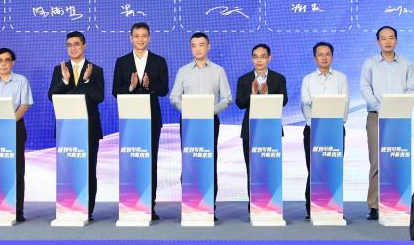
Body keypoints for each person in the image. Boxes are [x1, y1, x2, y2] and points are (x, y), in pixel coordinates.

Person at [111, 22, 169, 219]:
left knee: (149, 161)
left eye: (144, 35)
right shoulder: (122, 61)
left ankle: (149, 205)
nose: (140, 39)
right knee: (131, 161)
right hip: (130, 119)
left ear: (149, 38)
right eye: (136, 36)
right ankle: (130, 203)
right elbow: (115, 90)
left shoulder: (159, 61)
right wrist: (130, 87)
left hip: (151, 119)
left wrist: (148, 86)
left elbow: (164, 89)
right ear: (131, 38)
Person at [170, 32, 232, 215]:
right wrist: (188, 110)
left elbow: (227, 98)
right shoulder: (183, 71)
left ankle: (209, 205)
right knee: (189, 162)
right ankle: (190, 204)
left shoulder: (218, 70)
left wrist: (210, 111)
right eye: (194, 45)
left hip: (210, 121)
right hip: (189, 122)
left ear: (208, 47)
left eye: (201, 45)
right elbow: (174, 97)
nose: (197, 49)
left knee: (208, 162)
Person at [360, 26, 414, 220]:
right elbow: (365, 88)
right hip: (376, 116)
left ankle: (399, 202)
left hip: (399, 117)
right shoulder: (370, 63)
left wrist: (400, 107)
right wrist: (380, 107)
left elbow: (412, 89)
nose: (388, 41)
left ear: (396, 41)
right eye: (383, 38)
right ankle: (375, 205)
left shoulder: (406, 64)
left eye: (391, 38)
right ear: (378, 42)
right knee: (377, 161)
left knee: (398, 159)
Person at [48, 31, 104, 220]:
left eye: (76, 44)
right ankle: (67, 208)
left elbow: (99, 97)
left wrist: (87, 80)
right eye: (69, 45)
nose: (73, 48)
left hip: (89, 129)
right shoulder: (60, 70)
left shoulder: (96, 70)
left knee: (88, 169)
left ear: (84, 46)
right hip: (66, 129)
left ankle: (87, 210)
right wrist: (64, 81)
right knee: (68, 170)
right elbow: (52, 96)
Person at [0, 47, 33, 222]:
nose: (3, 63)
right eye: (0, 60)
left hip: (16, 127)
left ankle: (17, 210)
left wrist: (10, 123)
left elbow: (25, 104)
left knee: (17, 169)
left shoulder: (21, 80)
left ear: (13, 63)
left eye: (7, 60)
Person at [234, 44, 288, 207]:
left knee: (271, 169)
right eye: (255, 57)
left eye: (263, 56)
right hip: (250, 131)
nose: (259, 60)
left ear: (269, 58)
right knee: (252, 169)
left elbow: (283, 101)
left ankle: (272, 205)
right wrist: (253, 95)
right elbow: (239, 103)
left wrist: (266, 94)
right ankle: (254, 206)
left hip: (271, 130)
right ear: (252, 59)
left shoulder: (278, 78)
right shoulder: (244, 79)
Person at [300, 41, 348, 220]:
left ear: (332, 57)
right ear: (315, 58)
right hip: (313, 130)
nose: (324, 57)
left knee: (333, 169)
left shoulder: (341, 78)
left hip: (335, 130)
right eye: (320, 54)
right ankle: (311, 208)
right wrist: (314, 124)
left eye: (327, 54)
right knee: (315, 169)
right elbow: (305, 104)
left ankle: (334, 207)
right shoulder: (308, 79)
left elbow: (345, 102)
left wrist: (337, 123)